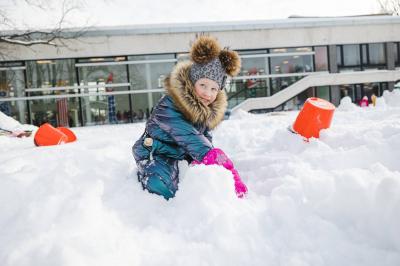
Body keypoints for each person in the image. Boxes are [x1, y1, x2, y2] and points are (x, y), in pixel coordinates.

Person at [132, 36, 247, 200]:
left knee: (204, 180)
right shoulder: (169, 105)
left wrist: (216, 168)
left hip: (183, 153)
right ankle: (145, 170)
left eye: (214, 89)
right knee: (161, 184)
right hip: (157, 151)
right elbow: (188, 135)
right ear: (192, 83)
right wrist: (215, 158)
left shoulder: (203, 110)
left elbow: (203, 137)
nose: (208, 93)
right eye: (203, 85)